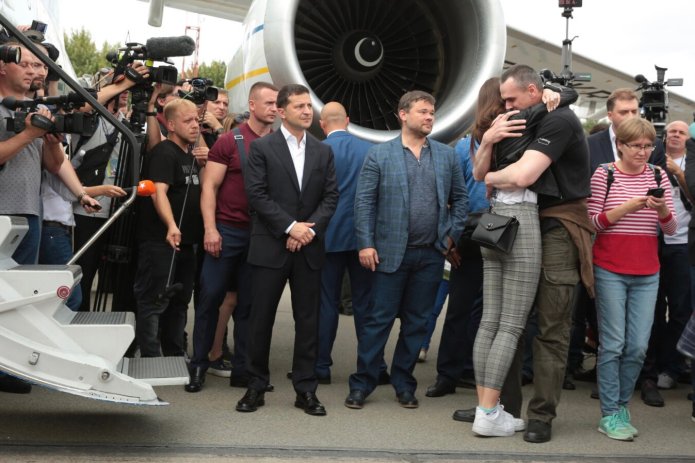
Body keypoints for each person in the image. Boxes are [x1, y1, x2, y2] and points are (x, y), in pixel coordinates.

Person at [475, 65, 593, 442]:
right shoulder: (521, 119)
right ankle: (498, 407)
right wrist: (489, 145)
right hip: (521, 220)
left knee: (550, 327)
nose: (506, 106)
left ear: (532, 91)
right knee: (505, 321)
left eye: (512, 99)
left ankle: (540, 414)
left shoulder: (558, 119)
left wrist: (490, 178)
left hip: (558, 224)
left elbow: (521, 176)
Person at [345, 90, 467, 410]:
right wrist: (366, 243)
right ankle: (363, 383)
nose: (429, 117)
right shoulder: (380, 155)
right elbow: (364, 203)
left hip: (430, 255)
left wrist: (451, 236)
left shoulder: (446, 156)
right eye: (423, 112)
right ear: (403, 114)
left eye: (432, 113)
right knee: (378, 322)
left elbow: (461, 200)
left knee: (417, 323)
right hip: (388, 253)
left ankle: (404, 383)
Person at [236, 84, 338, 416]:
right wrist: (290, 227)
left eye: (309, 106)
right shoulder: (262, 148)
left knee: (308, 321)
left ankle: (306, 390)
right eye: (300, 106)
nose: (308, 111)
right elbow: (257, 194)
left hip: (309, 248)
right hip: (270, 246)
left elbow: (331, 197)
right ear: (281, 112)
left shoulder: (323, 151)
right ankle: (255, 385)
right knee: (260, 319)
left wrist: (307, 231)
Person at [587, 117, 676, 440]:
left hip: (647, 271)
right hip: (609, 268)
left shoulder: (659, 175)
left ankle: (621, 407)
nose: (643, 151)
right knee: (613, 345)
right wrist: (628, 208)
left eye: (648, 146)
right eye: (636, 145)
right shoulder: (604, 173)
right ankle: (610, 412)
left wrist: (661, 209)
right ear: (620, 145)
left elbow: (671, 229)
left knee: (638, 346)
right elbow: (593, 222)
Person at [186, 82, 278, 392]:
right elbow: (209, 187)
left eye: (277, 103)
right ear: (252, 105)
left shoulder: (281, 144)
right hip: (227, 232)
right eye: (268, 102)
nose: (274, 108)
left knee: (250, 305)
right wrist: (210, 229)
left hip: (261, 236)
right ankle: (199, 366)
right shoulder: (229, 141)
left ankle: (244, 371)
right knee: (210, 299)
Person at [316, 101, 388, 385]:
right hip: (363, 238)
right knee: (366, 305)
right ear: (347, 120)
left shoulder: (318, 150)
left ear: (322, 124)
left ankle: (321, 366)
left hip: (327, 237)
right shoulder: (370, 150)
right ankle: (375, 366)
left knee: (326, 303)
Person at [133, 98, 206, 357]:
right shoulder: (165, 153)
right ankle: (151, 359)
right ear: (171, 125)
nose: (195, 125)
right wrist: (171, 225)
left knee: (180, 302)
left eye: (197, 120)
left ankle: (174, 354)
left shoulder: (190, 154)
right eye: (188, 121)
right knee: (154, 301)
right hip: (161, 242)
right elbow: (158, 193)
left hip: (187, 243)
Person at [647, 121, 693, 394]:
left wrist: (679, 174)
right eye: (671, 131)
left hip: (682, 244)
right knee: (653, 308)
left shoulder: (690, 164)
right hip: (652, 241)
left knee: (679, 309)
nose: (675, 135)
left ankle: (672, 367)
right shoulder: (652, 160)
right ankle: (651, 366)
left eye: (681, 132)